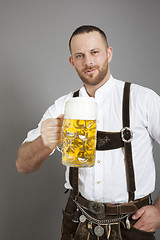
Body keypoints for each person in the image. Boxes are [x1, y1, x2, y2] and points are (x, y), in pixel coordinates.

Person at [16, 25, 160, 240]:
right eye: (80, 55)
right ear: (71, 61)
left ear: (108, 53)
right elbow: (23, 164)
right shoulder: (61, 106)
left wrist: (159, 209)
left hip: (132, 225)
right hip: (77, 222)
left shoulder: (143, 99)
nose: (88, 62)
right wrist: (43, 143)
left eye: (95, 52)